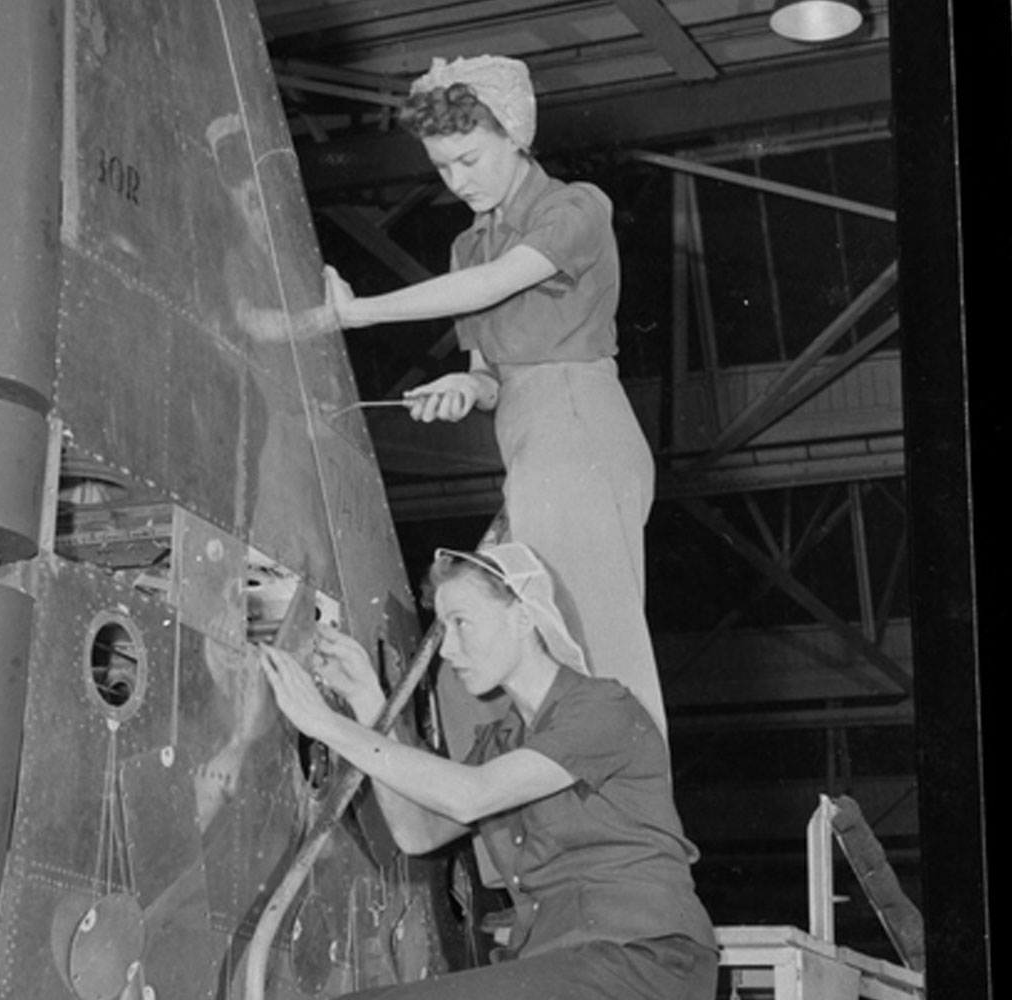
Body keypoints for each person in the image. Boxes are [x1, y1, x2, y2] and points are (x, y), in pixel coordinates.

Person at [321, 54, 667, 735]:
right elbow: (489, 373)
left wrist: (359, 312)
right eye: (444, 168)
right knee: (528, 646)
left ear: (515, 134)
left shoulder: (576, 206)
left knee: (594, 639)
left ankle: (633, 815)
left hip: (579, 422)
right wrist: (463, 384)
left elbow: (500, 283)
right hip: (528, 438)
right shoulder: (465, 247)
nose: (459, 182)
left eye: (472, 160)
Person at [255, 543, 717, 1000]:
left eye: (461, 623)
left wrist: (324, 725)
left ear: (522, 617)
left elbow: (470, 795)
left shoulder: (603, 708)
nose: (448, 649)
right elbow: (417, 833)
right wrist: (367, 702)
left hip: (642, 961)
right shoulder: (500, 742)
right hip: (559, 964)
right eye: (442, 626)